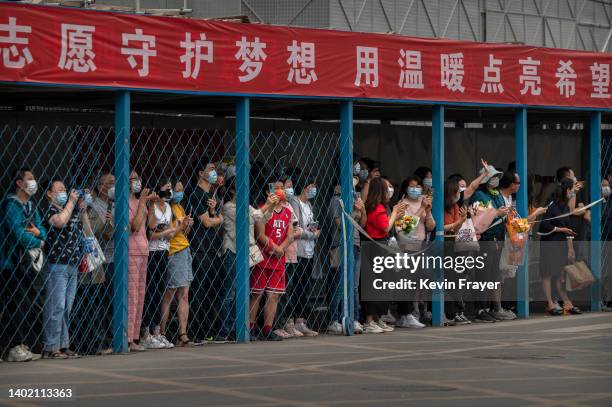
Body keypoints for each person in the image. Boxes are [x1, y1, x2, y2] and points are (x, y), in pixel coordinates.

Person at [220, 176, 276, 340]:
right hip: (232, 251)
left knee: (241, 292)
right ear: (232, 190)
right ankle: (225, 329)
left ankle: (238, 327)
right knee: (230, 292)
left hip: (245, 253)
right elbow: (249, 218)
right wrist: (267, 205)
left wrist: (270, 207)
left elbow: (262, 218)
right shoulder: (229, 207)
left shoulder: (247, 205)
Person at [41, 180, 92, 359]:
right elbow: (60, 222)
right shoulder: (50, 209)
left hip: (73, 264)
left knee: (66, 308)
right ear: (49, 194)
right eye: (60, 189)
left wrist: (82, 208)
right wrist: (70, 202)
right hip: (57, 264)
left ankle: (63, 345)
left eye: (65, 189)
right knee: (56, 306)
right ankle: (51, 347)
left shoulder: (73, 210)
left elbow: (87, 230)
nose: (64, 192)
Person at [0, 168, 46, 362]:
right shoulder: (11, 204)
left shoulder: (31, 204)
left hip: (26, 263)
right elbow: (18, 233)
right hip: (10, 262)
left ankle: (20, 344)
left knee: (26, 304)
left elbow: (42, 230)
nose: (33, 181)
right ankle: (11, 347)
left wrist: (40, 236)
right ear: (19, 183)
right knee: (16, 304)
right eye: (29, 178)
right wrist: (38, 241)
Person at [250, 181, 294, 341]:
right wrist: (275, 248)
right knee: (257, 293)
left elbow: (290, 234)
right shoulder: (263, 209)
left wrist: (281, 249)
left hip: (278, 259)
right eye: (276, 188)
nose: (280, 191)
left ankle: (268, 329)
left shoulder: (288, 211)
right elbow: (260, 234)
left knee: (274, 295)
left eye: (282, 188)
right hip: (263, 257)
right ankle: (250, 327)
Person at [78, 170, 115, 355]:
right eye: (110, 183)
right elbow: (90, 232)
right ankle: (92, 342)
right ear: (100, 187)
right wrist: (104, 223)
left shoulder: (112, 204)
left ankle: (104, 339)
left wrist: (108, 223)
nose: (113, 187)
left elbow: (108, 234)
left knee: (104, 302)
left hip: (103, 258)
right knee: (92, 303)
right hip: (92, 258)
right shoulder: (92, 205)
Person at [186, 158, 224, 342]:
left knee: (211, 291)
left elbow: (211, 218)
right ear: (201, 173)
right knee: (198, 292)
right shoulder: (195, 194)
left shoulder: (211, 195)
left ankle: (208, 329)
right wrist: (220, 218)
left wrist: (214, 214)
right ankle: (195, 331)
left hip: (211, 249)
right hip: (199, 249)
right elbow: (208, 222)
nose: (214, 172)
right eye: (210, 168)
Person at [362, 177, 406, 334]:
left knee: (383, 283)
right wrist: (394, 211)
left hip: (379, 247)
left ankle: (377, 318)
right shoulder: (377, 208)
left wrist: (396, 214)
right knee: (376, 283)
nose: (389, 192)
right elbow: (386, 227)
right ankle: (369, 320)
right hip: (377, 247)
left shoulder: (378, 207)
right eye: (387, 190)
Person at [142, 178, 181, 349]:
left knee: (160, 291)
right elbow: (150, 230)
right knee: (150, 291)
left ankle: (157, 331)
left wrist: (178, 227)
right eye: (166, 189)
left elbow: (170, 235)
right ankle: (146, 332)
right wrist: (153, 204)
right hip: (153, 251)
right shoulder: (154, 207)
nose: (169, 192)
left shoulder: (169, 209)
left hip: (164, 250)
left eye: (170, 189)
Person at [469, 165, 511, 323]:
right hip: (485, 239)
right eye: (493, 176)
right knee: (483, 275)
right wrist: (496, 213)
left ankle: (490, 307)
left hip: (498, 239)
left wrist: (506, 214)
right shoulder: (479, 195)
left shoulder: (497, 194)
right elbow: (478, 218)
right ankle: (480, 309)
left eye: (497, 176)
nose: (496, 179)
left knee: (493, 275)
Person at [394, 175, 434, 329]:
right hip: (407, 248)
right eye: (412, 186)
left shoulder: (423, 203)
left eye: (418, 186)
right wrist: (422, 208)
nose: (415, 189)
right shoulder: (402, 204)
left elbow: (430, 226)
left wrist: (428, 211)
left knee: (418, 281)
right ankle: (405, 314)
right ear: (405, 188)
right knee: (406, 282)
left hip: (420, 247)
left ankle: (413, 312)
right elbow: (405, 227)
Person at [328, 182, 367, 335]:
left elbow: (363, 224)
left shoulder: (355, 198)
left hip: (356, 244)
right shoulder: (336, 200)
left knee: (354, 285)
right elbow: (341, 224)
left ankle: (354, 318)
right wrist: (356, 213)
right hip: (340, 244)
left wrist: (362, 210)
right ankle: (334, 319)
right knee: (338, 284)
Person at [539, 178, 582, 316]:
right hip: (549, 244)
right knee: (547, 273)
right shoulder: (551, 205)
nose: (573, 193)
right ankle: (550, 303)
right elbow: (544, 226)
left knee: (559, 275)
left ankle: (566, 302)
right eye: (572, 190)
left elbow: (568, 228)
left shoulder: (565, 206)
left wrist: (570, 248)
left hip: (562, 245)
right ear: (567, 190)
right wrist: (561, 229)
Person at [159, 180, 195, 347]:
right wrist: (180, 226)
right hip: (173, 252)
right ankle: (162, 331)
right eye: (177, 189)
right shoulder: (167, 209)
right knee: (170, 293)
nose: (180, 192)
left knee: (184, 293)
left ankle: (183, 332)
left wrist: (187, 225)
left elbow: (183, 233)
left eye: (182, 188)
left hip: (184, 249)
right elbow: (169, 235)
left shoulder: (179, 207)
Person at [287, 179, 320, 337]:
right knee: (294, 286)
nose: (313, 189)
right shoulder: (295, 203)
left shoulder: (309, 205)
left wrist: (313, 232)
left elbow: (308, 226)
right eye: (311, 186)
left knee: (304, 286)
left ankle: (300, 321)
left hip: (309, 250)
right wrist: (312, 234)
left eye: (315, 187)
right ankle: (290, 321)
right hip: (297, 250)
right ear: (304, 187)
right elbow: (297, 229)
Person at [127, 171, 153, 352]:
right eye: (133, 179)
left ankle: (135, 336)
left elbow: (150, 225)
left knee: (141, 296)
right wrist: (142, 202)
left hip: (144, 250)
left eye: (138, 178)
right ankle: (127, 337)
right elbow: (134, 226)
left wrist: (152, 203)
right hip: (131, 251)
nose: (137, 182)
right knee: (131, 296)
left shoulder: (141, 202)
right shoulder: (125, 202)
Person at [276, 176, 302, 338]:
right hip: (280, 253)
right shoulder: (274, 208)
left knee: (289, 290)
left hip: (292, 253)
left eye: (286, 187)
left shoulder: (289, 206)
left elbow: (296, 228)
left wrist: (295, 232)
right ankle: (278, 323)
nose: (284, 191)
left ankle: (288, 322)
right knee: (279, 292)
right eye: (282, 187)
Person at [442, 179, 471, 326]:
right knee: (446, 280)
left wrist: (461, 220)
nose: (458, 195)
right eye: (456, 192)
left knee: (455, 279)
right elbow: (441, 227)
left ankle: (455, 311)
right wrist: (457, 223)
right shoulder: (440, 206)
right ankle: (448, 312)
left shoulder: (454, 206)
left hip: (453, 245)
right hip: (442, 246)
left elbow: (455, 229)